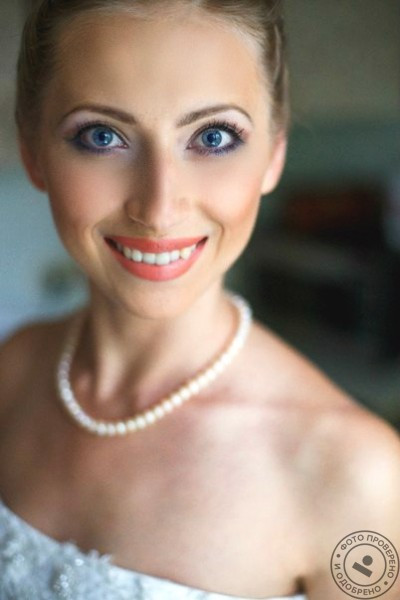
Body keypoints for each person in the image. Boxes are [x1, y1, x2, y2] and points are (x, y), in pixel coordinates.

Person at [0, 1, 399, 598]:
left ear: (275, 152)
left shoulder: (356, 479)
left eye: (214, 137)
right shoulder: (12, 368)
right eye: (102, 136)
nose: (159, 209)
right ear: (33, 151)